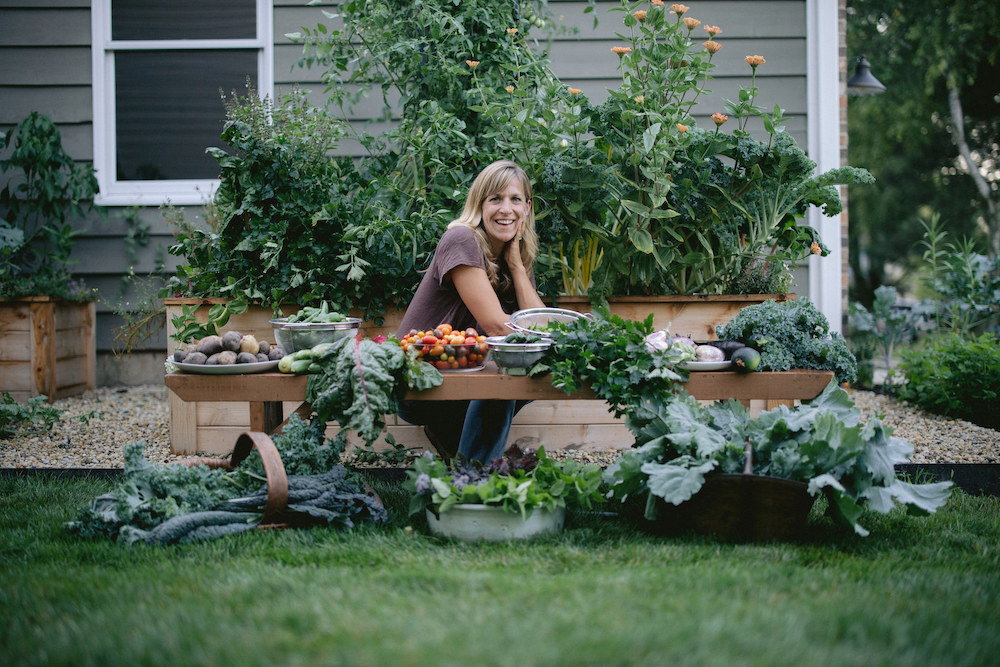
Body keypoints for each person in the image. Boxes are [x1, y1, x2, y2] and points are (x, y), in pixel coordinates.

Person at [396, 159, 545, 464]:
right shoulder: (462, 239)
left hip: (465, 371)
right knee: (509, 371)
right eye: (495, 199)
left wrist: (517, 267)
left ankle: (457, 445)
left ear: (527, 207)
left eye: (515, 199)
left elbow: (539, 325)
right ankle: (473, 476)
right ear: (480, 204)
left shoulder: (514, 253)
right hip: (420, 377)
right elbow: (499, 326)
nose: (506, 209)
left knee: (534, 367)